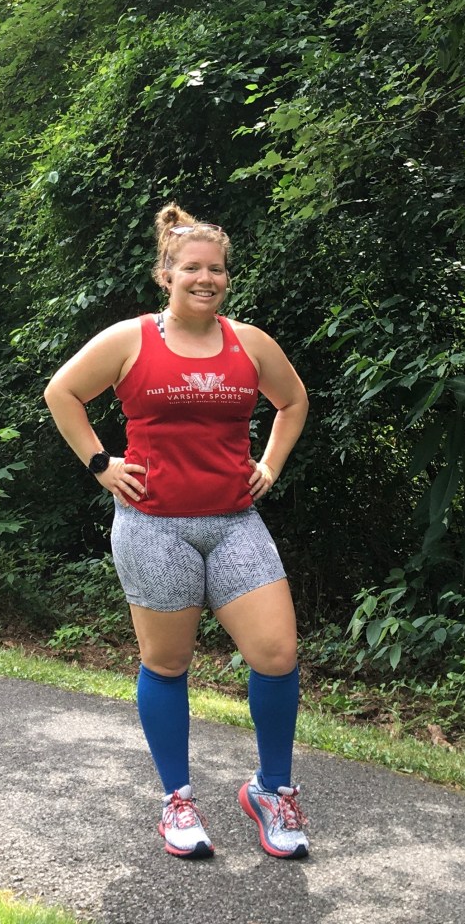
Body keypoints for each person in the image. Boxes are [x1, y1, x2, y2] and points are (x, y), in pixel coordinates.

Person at [43, 203, 310, 860]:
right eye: (192, 267)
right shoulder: (132, 340)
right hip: (153, 526)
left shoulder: (250, 343)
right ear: (167, 274)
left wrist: (269, 464)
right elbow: (62, 392)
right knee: (168, 663)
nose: (206, 278)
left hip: (234, 523)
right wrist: (103, 464)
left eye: (216, 269)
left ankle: (271, 791)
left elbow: (294, 401)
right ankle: (178, 803)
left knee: (276, 656)